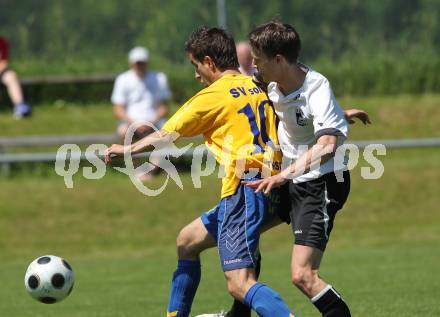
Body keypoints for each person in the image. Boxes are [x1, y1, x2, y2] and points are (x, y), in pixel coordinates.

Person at [106, 27, 299, 317]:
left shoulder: (211, 96)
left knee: (239, 284)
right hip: (276, 186)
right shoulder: (260, 85)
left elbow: (165, 136)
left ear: (209, 62)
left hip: (245, 191)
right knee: (187, 241)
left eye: (196, 66)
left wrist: (125, 150)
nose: (196, 75)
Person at [244, 21, 359, 317]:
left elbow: (327, 145)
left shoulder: (316, 87)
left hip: (319, 182)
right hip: (289, 180)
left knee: (303, 275)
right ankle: (237, 313)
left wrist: (284, 174)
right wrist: (339, 114)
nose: (253, 65)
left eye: (258, 59)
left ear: (279, 60)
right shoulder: (271, 81)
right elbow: (300, 117)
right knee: (241, 232)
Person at [111, 46, 171, 141]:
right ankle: (129, 155)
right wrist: (134, 123)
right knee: (123, 131)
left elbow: (164, 106)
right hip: (130, 123)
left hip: (155, 122)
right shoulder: (123, 79)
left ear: (147, 63)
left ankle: (159, 156)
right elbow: (118, 109)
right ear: (131, 64)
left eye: (142, 63)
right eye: (137, 63)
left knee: (168, 132)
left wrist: (151, 122)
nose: (140, 66)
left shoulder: (160, 78)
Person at [0, 36, 32, 119]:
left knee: (11, 76)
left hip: (1, 72)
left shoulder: (2, 42)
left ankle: (20, 107)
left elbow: (3, 63)